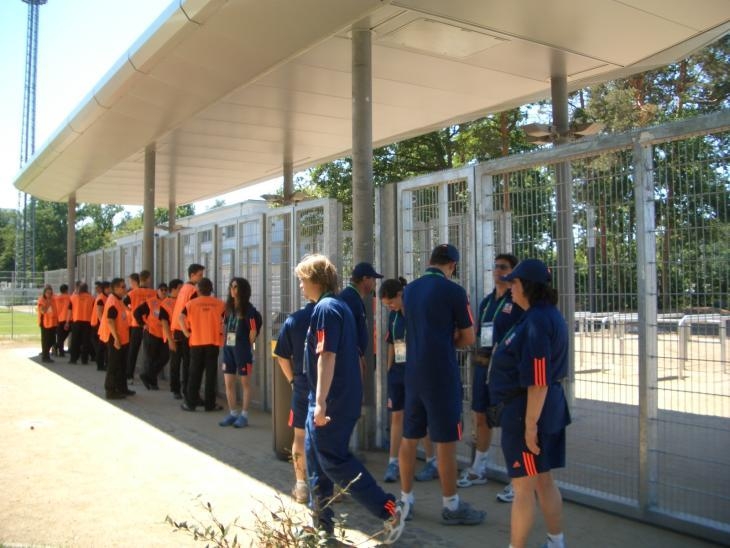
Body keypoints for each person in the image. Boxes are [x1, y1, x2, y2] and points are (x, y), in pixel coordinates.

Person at [295, 254, 406, 544]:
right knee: (317, 462)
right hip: (326, 398)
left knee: (333, 460)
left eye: (302, 280)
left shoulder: (327, 308)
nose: (300, 286)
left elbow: (327, 355)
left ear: (316, 280)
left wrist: (321, 402)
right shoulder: (334, 306)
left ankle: (389, 509)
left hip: (332, 400)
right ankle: (322, 526)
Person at [398, 243, 485, 525]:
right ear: (452, 266)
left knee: (409, 437)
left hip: (413, 372)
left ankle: (405, 500)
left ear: (430, 260)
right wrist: (449, 340)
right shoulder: (454, 291)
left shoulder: (410, 290)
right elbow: (469, 337)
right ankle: (451, 505)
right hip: (441, 374)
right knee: (445, 440)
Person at [489, 259, 571, 548]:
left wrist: (530, 426)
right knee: (543, 480)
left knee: (523, 487)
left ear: (528, 286)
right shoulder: (539, 315)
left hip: (528, 412)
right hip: (538, 409)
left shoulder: (537, 320)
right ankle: (556, 541)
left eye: (514, 282)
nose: (510, 287)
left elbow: (538, 380)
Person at [458, 253, 523, 505]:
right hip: (483, 366)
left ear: (513, 271)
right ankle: (479, 468)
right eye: (495, 266)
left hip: (505, 370)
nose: (498, 271)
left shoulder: (517, 301)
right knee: (480, 416)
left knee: (510, 422)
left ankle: (518, 479)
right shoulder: (486, 302)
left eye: (503, 267)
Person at [379, 277, 438, 485]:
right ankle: (393, 462)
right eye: (386, 305)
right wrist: (389, 368)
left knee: (421, 415)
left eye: (391, 302)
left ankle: (432, 461)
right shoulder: (393, 316)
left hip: (417, 370)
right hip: (398, 371)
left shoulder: (416, 312)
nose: (390, 307)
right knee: (397, 416)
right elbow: (391, 343)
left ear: (400, 295)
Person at [274, 300, 315, 503]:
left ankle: (301, 486)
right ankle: (328, 486)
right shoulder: (334, 315)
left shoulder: (294, 320)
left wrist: (292, 380)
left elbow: (281, 356)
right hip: (329, 386)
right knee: (327, 437)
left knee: (299, 435)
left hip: (302, 383)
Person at [218, 277, 262, 428]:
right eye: (231, 286)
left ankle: (244, 415)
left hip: (241, 350)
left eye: (235, 287)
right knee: (228, 383)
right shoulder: (228, 308)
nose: (232, 289)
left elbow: (253, 331)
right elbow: (224, 325)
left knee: (245, 383)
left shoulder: (249, 310)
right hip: (228, 349)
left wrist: (246, 345)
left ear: (242, 289)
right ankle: (233, 413)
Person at [179, 277, 225, 412]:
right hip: (213, 342)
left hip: (196, 342)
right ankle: (210, 404)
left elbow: (180, 317)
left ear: (198, 290)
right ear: (211, 289)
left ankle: (190, 403)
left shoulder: (191, 304)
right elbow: (226, 320)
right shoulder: (220, 304)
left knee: (194, 373)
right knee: (211, 375)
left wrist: (186, 332)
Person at [169, 264, 205, 400]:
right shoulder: (193, 290)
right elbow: (194, 310)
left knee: (178, 361)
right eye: (200, 275)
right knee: (188, 362)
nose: (202, 277)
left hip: (178, 327)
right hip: (186, 329)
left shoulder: (184, 288)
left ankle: (176, 389)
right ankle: (188, 391)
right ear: (192, 275)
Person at [338, 262, 383, 364]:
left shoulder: (354, 297)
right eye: (373, 279)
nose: (375, 283)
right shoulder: (350, 298)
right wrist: (357, 355)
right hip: (349, 358)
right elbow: (348, 332)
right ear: (365, 278)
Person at [98, 278, 135, 400]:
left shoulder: (119, 300)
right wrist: (116, 338)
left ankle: (122, 388)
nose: (125, 289)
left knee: (121, 364)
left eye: (125, 286)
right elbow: (110, 321)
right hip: (114, 338)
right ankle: (110, 390)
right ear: (116, 288)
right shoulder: (113, 302)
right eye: (123, 287)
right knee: (114, 365)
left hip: (122, 337)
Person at [133, 282, 172, 390]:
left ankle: (147, 375)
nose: (163, 292)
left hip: (164, 334)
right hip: (152, 333)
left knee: (164, 357)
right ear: (157, 291)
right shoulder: (151, 302)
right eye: (161, 289)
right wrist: (143, 324)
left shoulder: (169, 302)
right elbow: (137, 312)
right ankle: (152, 382)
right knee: (151, 358)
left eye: (165, 290)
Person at [125, 270, 156, 382]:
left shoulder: (133, 293)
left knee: (133, 351)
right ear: (147, 279)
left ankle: (129, 375)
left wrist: (130, 310)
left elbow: (123, 303)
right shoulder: (153, 293)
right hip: (149, 325)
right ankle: (149, 376)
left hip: (136, 324)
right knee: (150, 352)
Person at [68, 282, 95, 365]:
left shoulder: (73, 298)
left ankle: (73, 359)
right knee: (86, 341)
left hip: (76, 321)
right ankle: (84, 359)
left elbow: (69, 311)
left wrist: (67, 322)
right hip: (87, 322)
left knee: (75, 341)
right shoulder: (91, 298)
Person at [37, 285, 59, 363]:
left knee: (52, 340)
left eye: (50, 293)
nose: (49, 295)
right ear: (44, 293)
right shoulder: (42, 300)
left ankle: (46, 354)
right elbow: (43, 311)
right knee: (46, 340)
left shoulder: (53, 299)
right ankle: (45, 356)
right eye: (47, 293)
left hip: (53, 323)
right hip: (45, 323)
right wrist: (48, 304)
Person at [92, 281, 110, 371]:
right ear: (104, 289)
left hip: (102, 324)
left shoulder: (106, 297)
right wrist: (103, 325)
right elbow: (99, 313)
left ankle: (103, 363)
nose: (110, 290)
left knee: (103, 345)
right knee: (102, 345)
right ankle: (100, 364)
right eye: (108, 288)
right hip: (98, 324)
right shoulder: (101, 298)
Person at [53, 284, 71, 357]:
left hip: (59, 318)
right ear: (66, 290)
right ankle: (57, 346)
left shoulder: (56, 298)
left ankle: (61, 351)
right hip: (67, 318)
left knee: (60, 336)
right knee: (65, 335)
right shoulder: (69, 297)